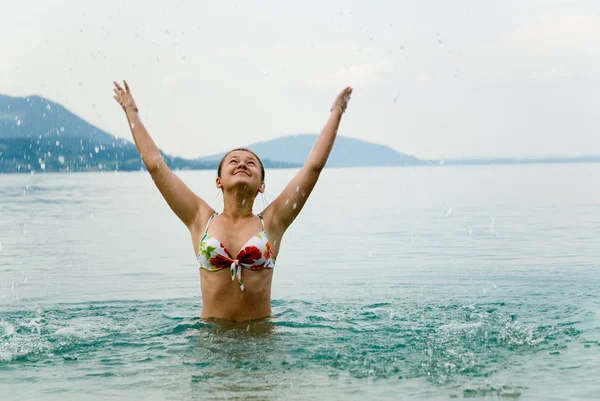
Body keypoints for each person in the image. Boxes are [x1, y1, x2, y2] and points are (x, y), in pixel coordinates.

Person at [113, 81, 352, 322]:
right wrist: (131, 112)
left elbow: (313, 167)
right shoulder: (200, 218)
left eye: (250, 163)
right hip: (211, 346)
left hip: (261, 343)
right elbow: (156, 167)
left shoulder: (273, 222)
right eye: (233, 161)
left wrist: (336, 113)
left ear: (261, 186)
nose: (242, 164)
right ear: (219, 182)